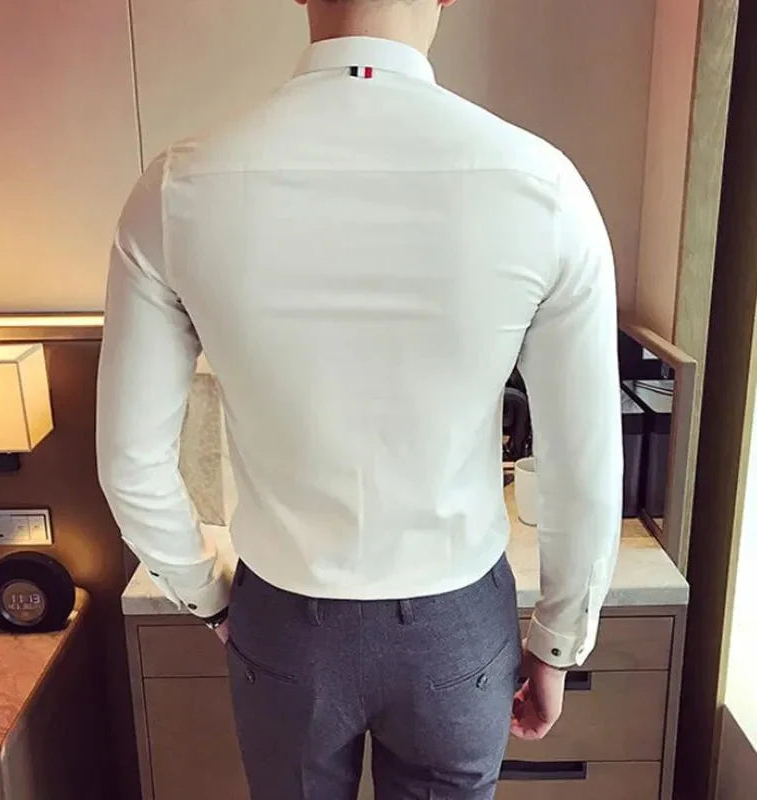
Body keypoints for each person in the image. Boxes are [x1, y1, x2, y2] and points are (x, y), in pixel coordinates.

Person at [96, 0, 623, 797]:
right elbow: (585, 468)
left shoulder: (176, 188)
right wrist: (557, 643)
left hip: (284, 622)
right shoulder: (544, 187)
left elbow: (130, 464)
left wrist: (207, 597)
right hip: (456, 628)